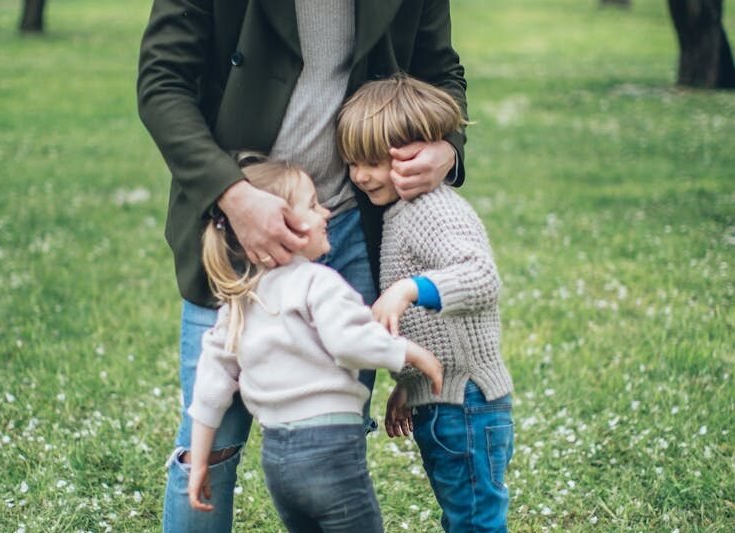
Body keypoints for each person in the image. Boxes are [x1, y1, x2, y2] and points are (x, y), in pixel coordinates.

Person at [137, 1, 468, 530]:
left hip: (342, 228)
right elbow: (161, 84)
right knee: (211, 444)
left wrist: (447, 147)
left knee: (335, 437)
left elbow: (441, 71)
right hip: (233, 222)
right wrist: (233, 195)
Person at [185, 156, 444, 533]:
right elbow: (347, 341)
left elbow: (209, 387)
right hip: (330, 451)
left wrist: (199, 460)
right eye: (312, 204)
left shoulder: (239, 303)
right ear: (280, 226)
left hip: (277, 460)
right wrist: (411, 353)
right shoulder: (316, 282)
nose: (325, 212)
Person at [337, 75, 515, 532]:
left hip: (469, 404)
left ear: (413, 153)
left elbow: (481, 277)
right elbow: (427, 334)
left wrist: (408, 288)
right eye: (352, 163)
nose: (360, 176)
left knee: (475, 519)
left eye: (373, 162)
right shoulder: (399, 212)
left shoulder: (435, 209)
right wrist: (408, 383)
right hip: (442, 400)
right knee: (462, 512)